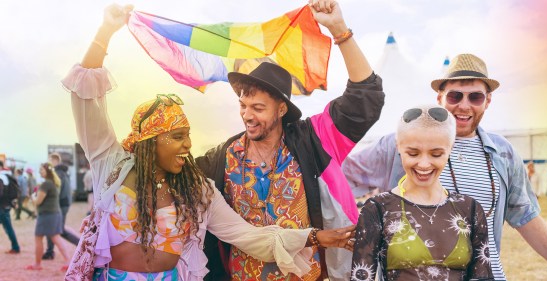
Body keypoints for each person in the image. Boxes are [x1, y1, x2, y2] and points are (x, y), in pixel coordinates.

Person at [63, 4, 354, 280]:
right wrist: (105, 31)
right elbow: (85, 98)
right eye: (177, 136)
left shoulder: (197, 190)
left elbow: (249, 236)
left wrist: (314, 236)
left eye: (188, 135)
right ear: (150, 141)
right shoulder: (112, 166)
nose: (188, 145)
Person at [342, 54, 547, 280]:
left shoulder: (502, 153)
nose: (464, 105)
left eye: (475, 96)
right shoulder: (399, 144)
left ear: (487, 101)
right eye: (455, 96)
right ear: (440, 98)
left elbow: (527, 217)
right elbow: (339, 177)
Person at [195, 1, 384, 280]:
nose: (247, 115)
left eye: (258, 108)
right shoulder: (224, 154)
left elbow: (365, 99)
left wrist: (339, 30)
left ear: (281, 109)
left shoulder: (312, 139)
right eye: (243, 105)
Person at [351, 105, 493, 280]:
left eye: (436, 154)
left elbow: (483, 277)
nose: (424, 164)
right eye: (413, 153)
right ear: (398, 146)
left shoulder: (470, 209)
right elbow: (360, 276)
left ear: (450, 148)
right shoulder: (378, 209)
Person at [26, 163, 71, 270]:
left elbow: (38, 201)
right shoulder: (53, 183)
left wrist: (32, 197)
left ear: (48, 171)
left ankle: (37, 264)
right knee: (56, 238)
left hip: (47, 215)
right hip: (53, 214)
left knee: (40, 238)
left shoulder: (46, 184)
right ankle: (69, 262)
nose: (40, 172)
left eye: (41, 170)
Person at [42, 153, 80, 260]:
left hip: (60, 204)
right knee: (52, 228)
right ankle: (50, 252)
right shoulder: (63, 172)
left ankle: (81, 245)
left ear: (54, 161)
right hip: (64, 203)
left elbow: (54, 192)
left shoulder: (57, 174)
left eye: (50, 161)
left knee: (58, 229)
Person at [0, 160, 20, 254]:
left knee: (8, 228)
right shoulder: (7, 176)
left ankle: (15, 247)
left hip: (2, 207)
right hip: (6, 206)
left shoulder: (1, 177)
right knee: (8, 227)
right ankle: (15, 247)